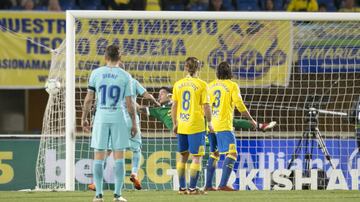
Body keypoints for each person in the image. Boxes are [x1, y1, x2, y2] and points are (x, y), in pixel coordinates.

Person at [82, 44, 137, 202]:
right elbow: (130, 104)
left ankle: (98, 195)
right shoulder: (126, 76)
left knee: (99, 157)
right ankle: (117, 195)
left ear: (105, 57)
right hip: (118, 117)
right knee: (119, 157)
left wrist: (84, 117)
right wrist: (134, 123)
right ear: (120, 58)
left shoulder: (96, 73)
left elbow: (89, 99)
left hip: (101, 117)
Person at [88, 78, 160, 191]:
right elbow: (146, 95)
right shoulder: (132, 81)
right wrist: (155, 102)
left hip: (116, 120)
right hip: (131, 121)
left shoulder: (109, 83)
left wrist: (93, 117)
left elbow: (99, 102)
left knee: (108, 151)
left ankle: (97, 183)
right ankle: (134, 174)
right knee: (136, 150)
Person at [205, 61, 258, 191]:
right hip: (224, 126)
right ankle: (222, 184)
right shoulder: (232, 86)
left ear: (217, 73)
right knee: (232, 153)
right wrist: (251, 120)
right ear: (230, 73)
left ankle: (208, 185)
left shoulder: (210, 86)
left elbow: (204, 106)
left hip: (210, 125)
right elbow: (240, 105)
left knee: (214, 154)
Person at [144, 87, 276, 132]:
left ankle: (258, 125)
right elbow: (140, 109)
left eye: (161, 93)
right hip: (184, 131)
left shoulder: (180, 103)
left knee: (224, 120)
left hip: (196, 126)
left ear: (170, 95)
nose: (158, 96)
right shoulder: (158, 111)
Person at [171, 57, 213, 195]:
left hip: (182, 124)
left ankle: (182, 188)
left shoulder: (178, 84)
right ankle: (192, 188)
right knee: (196, 157)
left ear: (185, 68)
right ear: (199, 68)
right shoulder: (202, 85)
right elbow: (206, 106)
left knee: (183, 156)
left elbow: (174, 106)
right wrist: (210, 122)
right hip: (196, 125)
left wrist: (175, 123)